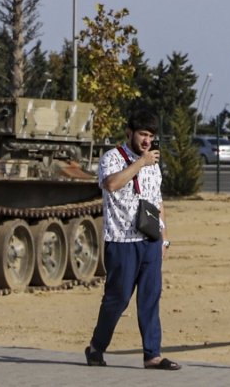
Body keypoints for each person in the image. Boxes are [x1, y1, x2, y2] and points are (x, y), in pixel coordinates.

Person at [86, 107, 181, 371]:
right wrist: (139, 163)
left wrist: (164, 239)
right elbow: (111, 185)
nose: (147, 141)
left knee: (150, 297)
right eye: (142, 134)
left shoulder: (154, 164)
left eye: (151, 135)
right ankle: (96, 347)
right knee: (117, 299)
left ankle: (152, 354)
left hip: (150, 241)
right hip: (121, 242)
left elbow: (158, 202)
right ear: (129, 133)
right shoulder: (113, 158)